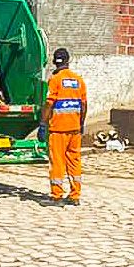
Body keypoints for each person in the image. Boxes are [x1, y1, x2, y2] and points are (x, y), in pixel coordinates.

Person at [41, 47, 87, 205]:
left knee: (58, 162)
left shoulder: (55, 80)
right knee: (74, 161)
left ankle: (57, 195)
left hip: (58, 129)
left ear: (54, 62)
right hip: (74, 128)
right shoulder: (78, 80)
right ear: (68, 60)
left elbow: (49, 103)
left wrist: (42, 123)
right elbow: (83, 104)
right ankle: (75, 195)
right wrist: (81, 124)